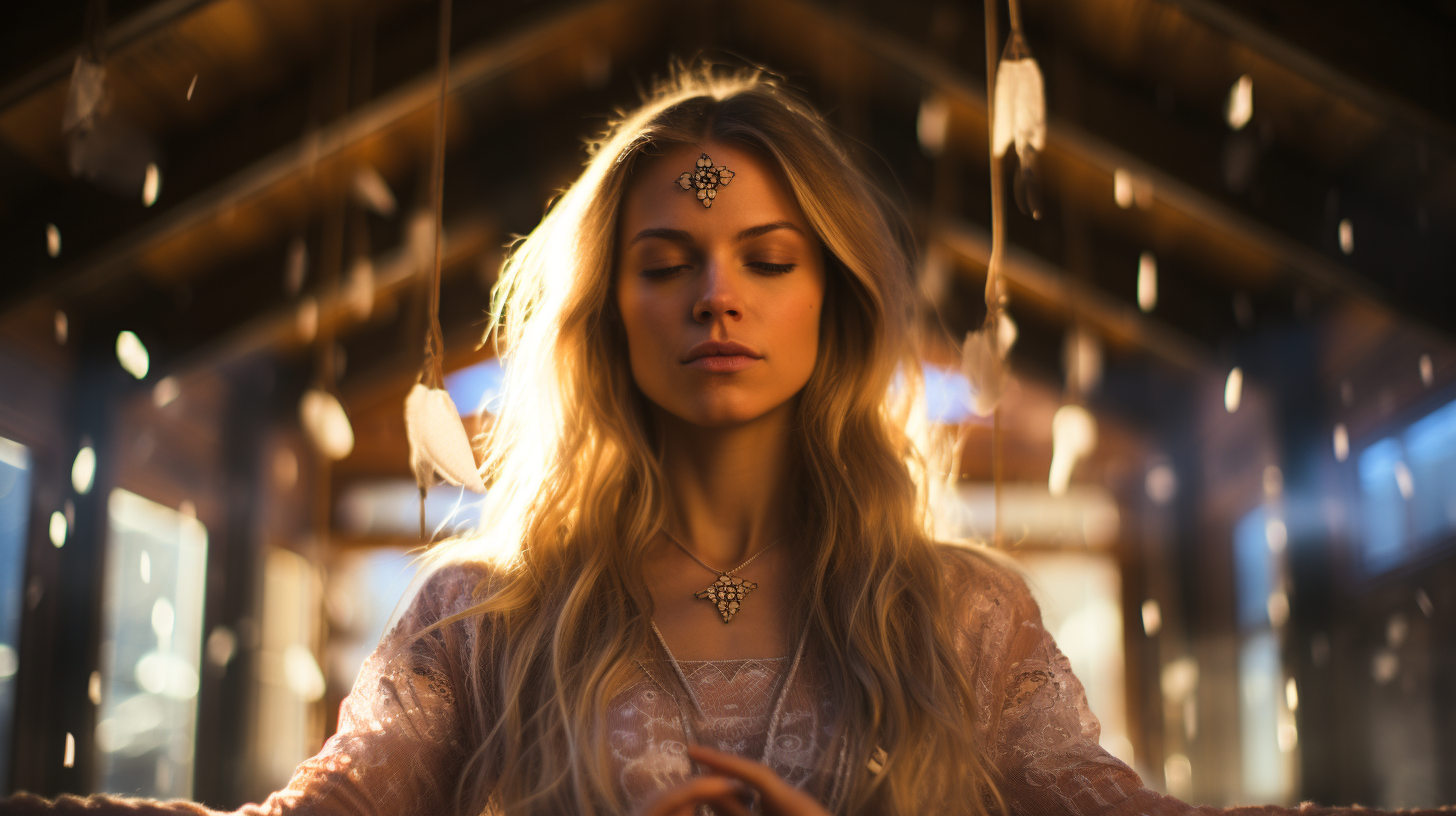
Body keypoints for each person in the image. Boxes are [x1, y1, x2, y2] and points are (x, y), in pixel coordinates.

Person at [3, 65, 1450, 816]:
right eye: (668, 259)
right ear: (603, 313)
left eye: (768, 255)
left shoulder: (959, 617)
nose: (716, 297)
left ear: (835, 296)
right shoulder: (478, 622)